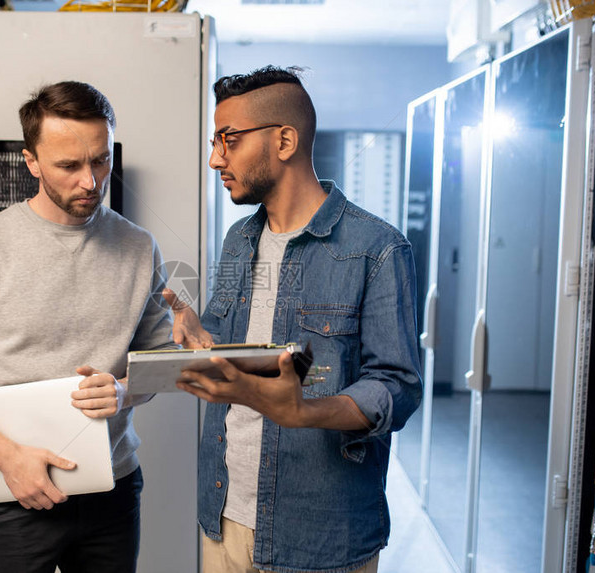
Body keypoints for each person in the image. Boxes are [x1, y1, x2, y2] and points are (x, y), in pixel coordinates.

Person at [0, 81, 174, 573]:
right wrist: (7, 457)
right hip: (11, 493)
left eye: (101, 160)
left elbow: (158, 361)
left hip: (112, 488)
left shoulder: (139, 246)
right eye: (69, 166)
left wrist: (126, 390)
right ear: (32, 162)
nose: (91, 181)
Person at [166, 66, 423, 573]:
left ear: (284, 140)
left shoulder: (377, 249)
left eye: (229, 140)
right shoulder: (238, 240)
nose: (215, 158)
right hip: (222, 517)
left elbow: (397, 387)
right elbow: (233, 346)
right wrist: (201, 335)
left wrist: (305, 411)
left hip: (319, 536)